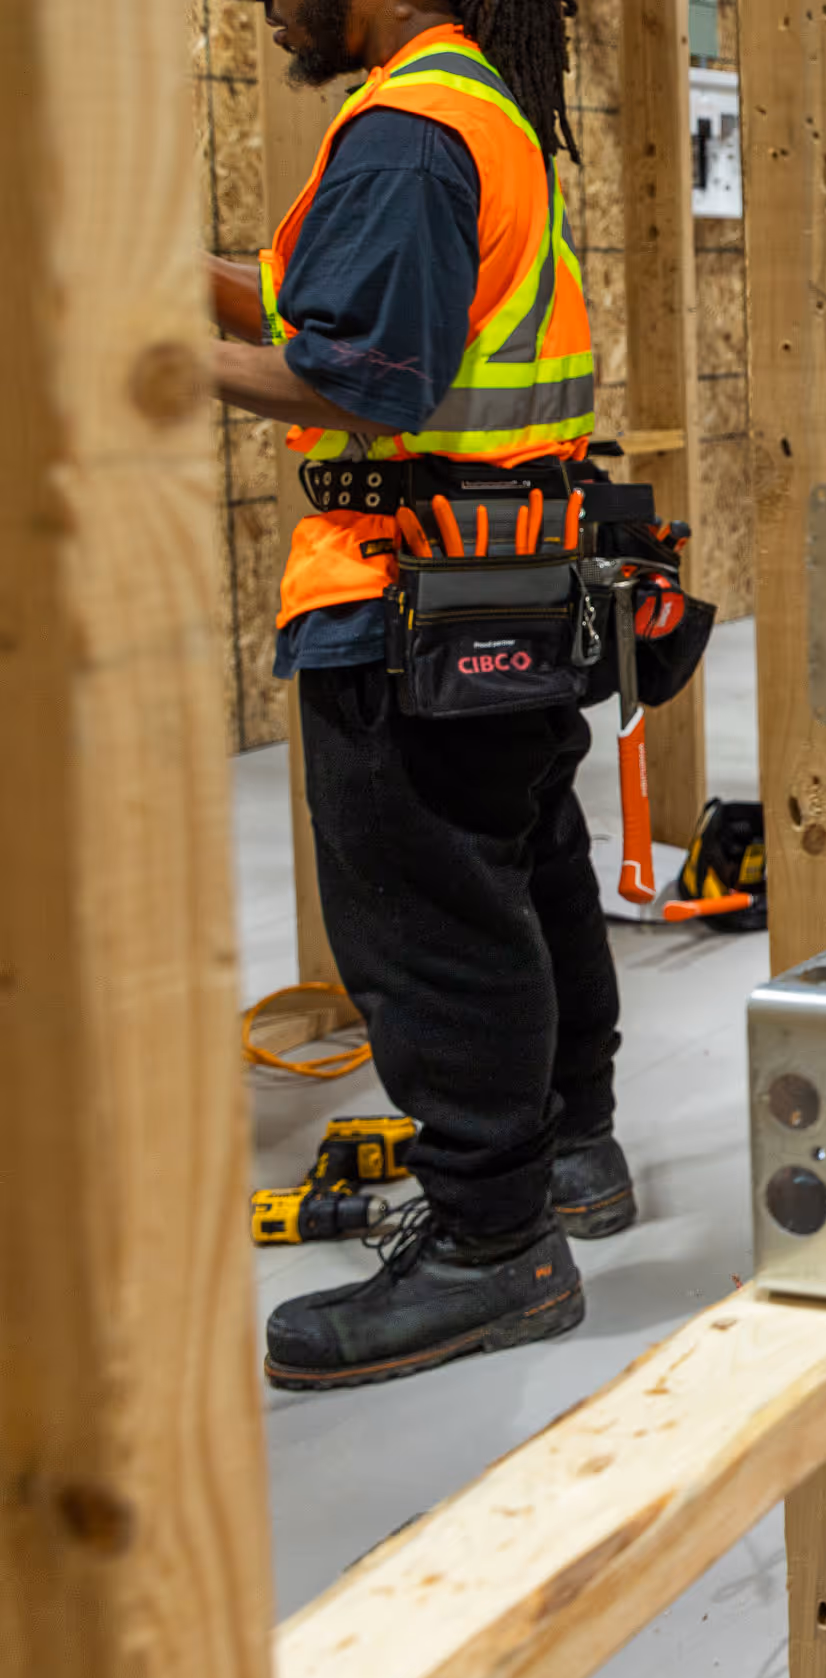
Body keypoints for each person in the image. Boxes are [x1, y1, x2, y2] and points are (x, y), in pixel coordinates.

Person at [208, 0, 632, 1390]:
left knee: (431, 919)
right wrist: (168, 278)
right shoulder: (465, 107)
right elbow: (324, 311)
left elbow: (366, 379)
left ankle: (490, 1248)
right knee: (523, 862)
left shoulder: (401, 135)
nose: (268, 6)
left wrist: (125, 356)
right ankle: (571, 1151)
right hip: (495, 578)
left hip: (403, 593)